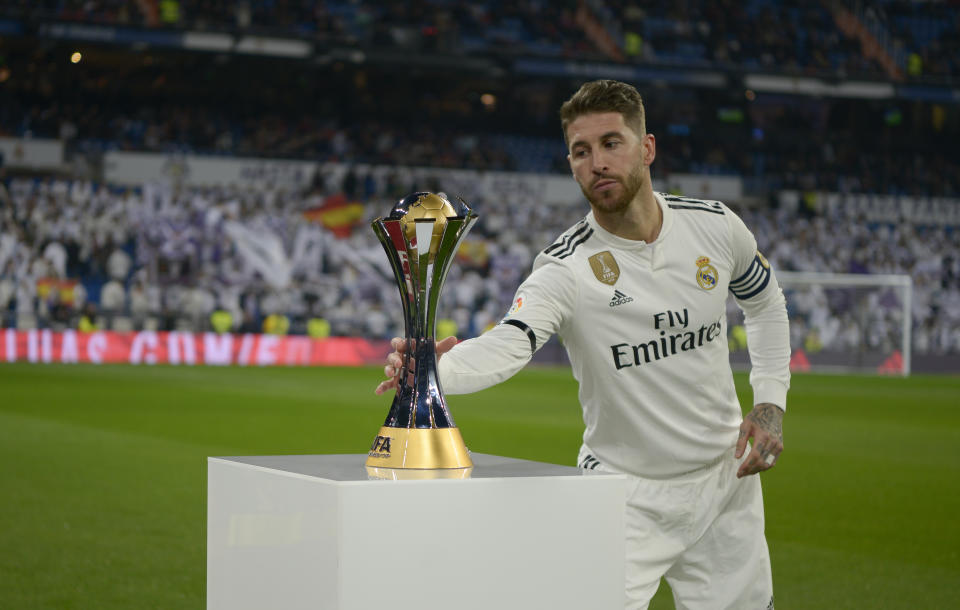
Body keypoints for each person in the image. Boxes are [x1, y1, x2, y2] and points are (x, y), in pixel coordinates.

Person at [376, 79, 790, 609]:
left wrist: (771, 402)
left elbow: (766, 304)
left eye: (611, 143)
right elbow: (510, 342)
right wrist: (437, 372)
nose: (596, 162)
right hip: (624, 498)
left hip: (726, 484)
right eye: (580, 151)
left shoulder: (714, 227)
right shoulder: (565, 267)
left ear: (647, 148)